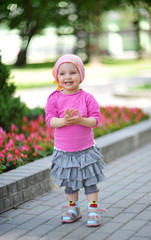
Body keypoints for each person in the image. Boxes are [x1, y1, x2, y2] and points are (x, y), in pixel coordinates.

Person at [45, 54, 106, 227]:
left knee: (90, 181)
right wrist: (63, 121)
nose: (68, 77)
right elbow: (50, 120)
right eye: (62, 73)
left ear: (81, 75)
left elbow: (95, 119)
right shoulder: (54, 98)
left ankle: (93, 210)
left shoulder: (87, 98)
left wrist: (81, 120)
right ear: (57, 77)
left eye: (73, 72)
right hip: (64, 151)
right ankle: (74, 209)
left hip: (85, 149)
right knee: (70, 184)